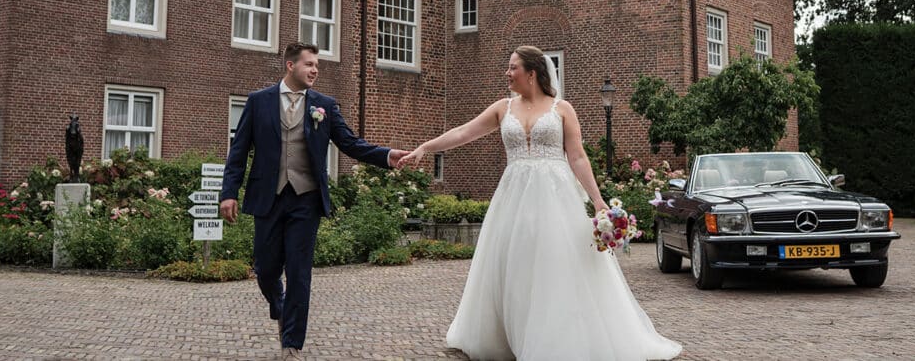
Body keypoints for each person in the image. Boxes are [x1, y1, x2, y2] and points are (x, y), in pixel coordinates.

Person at [398, 45, 682, 360]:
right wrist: (426, 146)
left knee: (556, 262)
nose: (507, 73)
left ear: (532, 73)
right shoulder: (503, 108)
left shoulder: (562, 109)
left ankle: (556, 336)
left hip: (556, 197)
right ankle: (513, 334)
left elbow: (576, 156)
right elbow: (464, 132)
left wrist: (598, 201)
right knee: (515, 263)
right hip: (514, 196)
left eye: (513, 67)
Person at [221, 42, 408, 360]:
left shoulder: (325, 104)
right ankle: (279, 306)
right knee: (265, 269)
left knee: (299, 272)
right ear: (290, 66)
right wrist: (228, 193)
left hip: (306, 201)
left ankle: (291, 343)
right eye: (309, 64)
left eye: (317, 65)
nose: (315, 70)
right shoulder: (258, 102)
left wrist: (388, 156)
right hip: (268, 196)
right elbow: (238, 152)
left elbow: (350, 143)